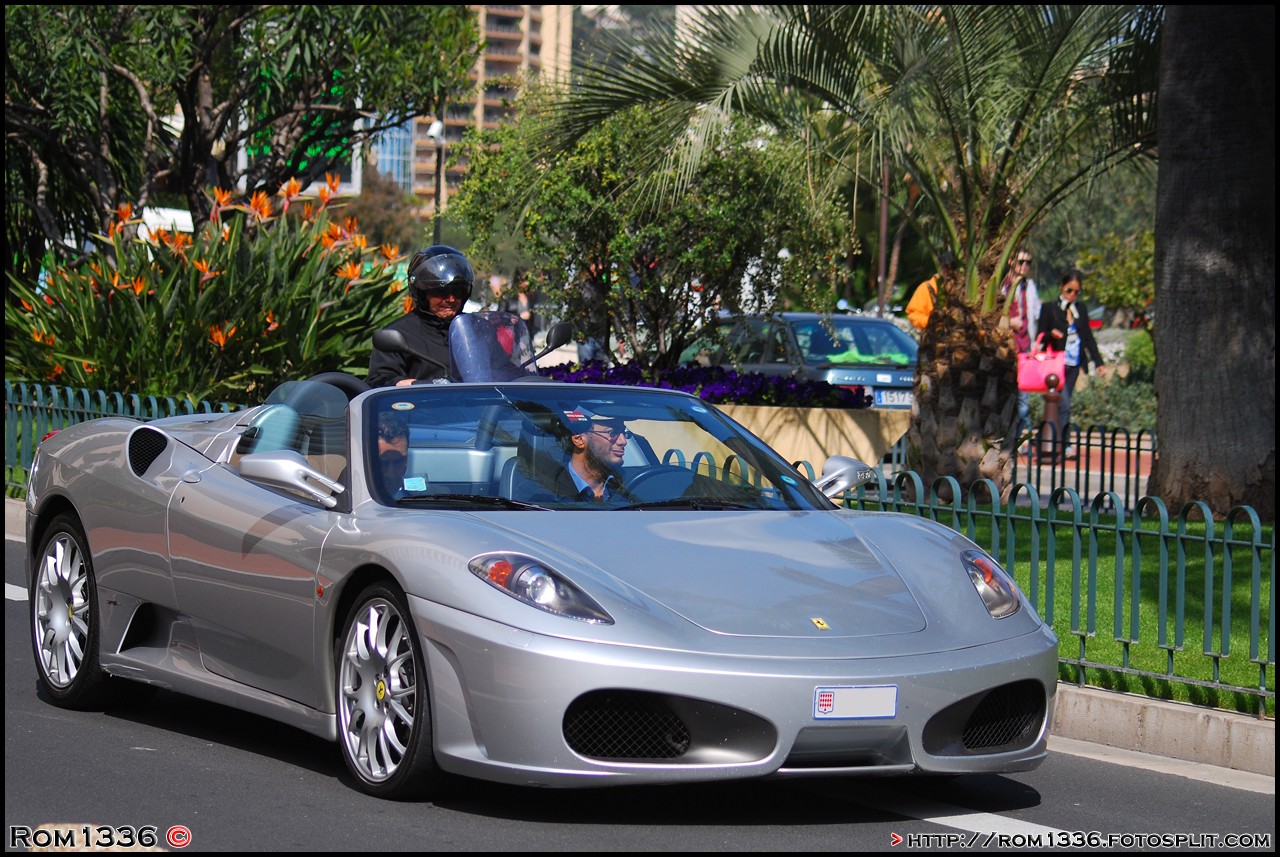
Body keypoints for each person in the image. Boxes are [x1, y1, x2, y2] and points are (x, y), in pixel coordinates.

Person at [368, 245, 474, 387]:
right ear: (422, 293)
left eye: (458, 291)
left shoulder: (477, 330)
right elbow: (380, 381)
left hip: (480, 407)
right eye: (441, 292)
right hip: (424, 407)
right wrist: (414, 384)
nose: (451, 299)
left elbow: (504, 371)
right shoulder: (399, 334)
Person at [1036, 270, 1106, 456]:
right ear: (1062, 287)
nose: (1073, 295)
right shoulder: (1050, 308)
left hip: (1074, 363)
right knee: (1063, 404)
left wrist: (1098, 361)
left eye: (1076, 292)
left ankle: (1052, 439)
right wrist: (1052, 335)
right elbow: (1040, 335)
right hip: (1056, 363)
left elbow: (1088, 337)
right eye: (1069, 291)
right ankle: (1063, 443)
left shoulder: (1080, 310)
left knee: (1064, 404)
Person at [514, 408, 634, 504]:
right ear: (579, 439)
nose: (623, 441)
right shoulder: (541, 491)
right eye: (612, 433)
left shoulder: (633, 484)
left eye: (624, 432)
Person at [1001, 249, 1042, 431]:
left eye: (1028, 263)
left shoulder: (1030, 286)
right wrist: (1009, 322)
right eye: (1021, 262)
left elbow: (1035, 314)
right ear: (1011, 261)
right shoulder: (1003, 286)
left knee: (1023, 398)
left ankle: (1018, 438)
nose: (1024, 266)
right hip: (1007, 347)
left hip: (1025, 347)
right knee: (1007, 395)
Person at [905, 250, 958, 330]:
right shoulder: (927, 287)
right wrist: (931, 322)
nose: (949, 271)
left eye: (952, 267)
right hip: (935, 337)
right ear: (941, 267)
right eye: (946, 267)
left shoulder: (962, 289)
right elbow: (913, 314)